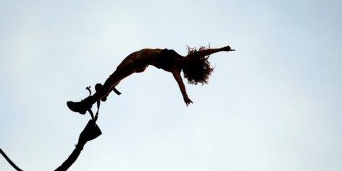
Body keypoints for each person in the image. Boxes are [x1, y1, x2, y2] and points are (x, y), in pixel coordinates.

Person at [67, 45, 235, 115]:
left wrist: (184, 95)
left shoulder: (175, 68)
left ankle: (85, 104)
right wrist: (221, 49)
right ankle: (105, 94)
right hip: (136, 54)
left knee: (112, 79)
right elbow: (204, 52)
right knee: (114, 75)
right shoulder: (183, 58)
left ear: (190, 67)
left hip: (137, 63)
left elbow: (179, 82)